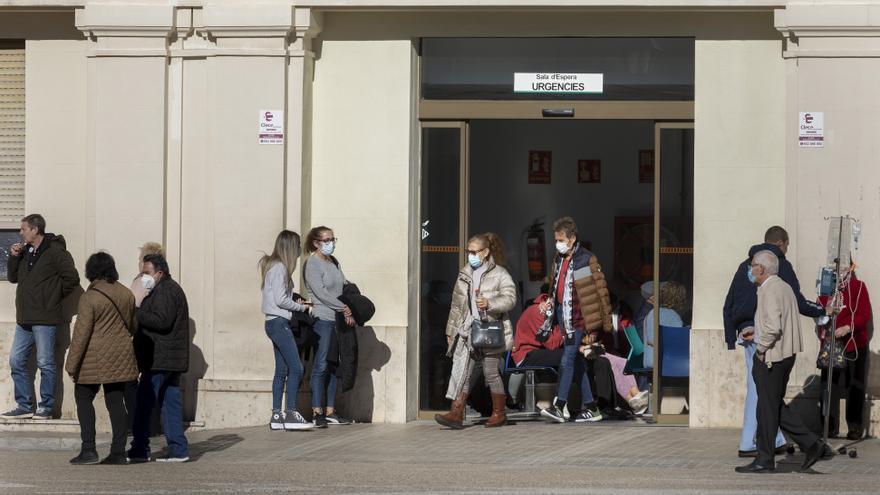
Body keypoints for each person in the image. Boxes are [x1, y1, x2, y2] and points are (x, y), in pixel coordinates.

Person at [723, 226, 825, 457]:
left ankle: (774, 441)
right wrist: (820, 311)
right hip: (765, 339)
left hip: (747, 333)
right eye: (787, 245)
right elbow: (795, 301)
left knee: (764, 390)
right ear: (782, 243)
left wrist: (734, 332)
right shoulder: (777, 264)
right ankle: (750, 442)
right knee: (763, 391)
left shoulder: (745, 265)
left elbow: (729, 302)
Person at [2, 214, 80, 420]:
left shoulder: (55, 252)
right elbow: (12, 278)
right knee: (16, 360)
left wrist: (52, 296)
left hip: (45, 317)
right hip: (24, 318)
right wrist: (14, 256)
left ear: (35, 230)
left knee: (45, 362)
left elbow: (72, 278)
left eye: (23, 229)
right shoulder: (26, 252)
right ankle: (25, 405)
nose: (20, 232)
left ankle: (46, 407)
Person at [435, 233, 516, 429]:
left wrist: (490, 303)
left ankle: (499, 413)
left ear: (486, 252)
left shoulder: (500, 274)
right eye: (468, 251)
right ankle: (456, 412)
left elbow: (510, 299)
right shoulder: (464, 274)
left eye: (474, 251)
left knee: (491, 373)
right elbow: (456, 306)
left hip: (491, 331)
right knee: (464, 372)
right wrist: (450, 331)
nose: (470, 255)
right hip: (469, 331)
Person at [537, 217, 613, 423]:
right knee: (577, 362)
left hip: (579, 318)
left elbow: (600, 292)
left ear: (572, 238)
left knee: (568, 358)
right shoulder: (558, 259)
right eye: (556, 239)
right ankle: (592, 408)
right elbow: (554, 286)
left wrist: (601, 325)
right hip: (563, 314)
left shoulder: (586, 259)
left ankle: (559, 406)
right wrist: (549, 302)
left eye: (561, 239)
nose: (558, 243)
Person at [65, 252, 138, 465]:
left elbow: (81, 333)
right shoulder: (126, 293)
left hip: (94, 357)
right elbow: (134, 325)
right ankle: (118, 452)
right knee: (115, 401)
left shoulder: (90, 297)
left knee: (83, 397)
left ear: (91, 271)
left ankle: (88, 450)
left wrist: (72, 364)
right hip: (122, 354)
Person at [127, 254, 191, 463]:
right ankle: (178, 450)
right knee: (169, 402)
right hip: (166, 359)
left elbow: (162, 321)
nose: (143, 276)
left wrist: (137, 310)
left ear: (160, 273)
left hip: (159, 359)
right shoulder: (163, 289)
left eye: (147, 273)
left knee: (144, 403)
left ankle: (139, 449)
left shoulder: (166, 290)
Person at [260, 230, 314, 431]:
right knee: (297, 368)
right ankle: (290, 412)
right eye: (298, 245)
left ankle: (277, 414)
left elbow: (279, 297)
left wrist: (294, 301)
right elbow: (280, 300)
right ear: (291, 247)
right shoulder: (280, 268)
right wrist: (302, 307)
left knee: (281, 370)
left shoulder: (274, 267)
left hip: (273, 322)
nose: (300, 249)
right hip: (279, 323)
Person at [303, 226, 354, 427]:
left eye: (333, 239)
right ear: (316, 243)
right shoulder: (312, 264)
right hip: (322, 319)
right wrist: (344, 308)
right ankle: (317, 411)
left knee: (334, 366)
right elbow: (320, 292)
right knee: (321, 364)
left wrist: (353, 304)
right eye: (327, 240)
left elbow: (343, 283)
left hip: (338, 321)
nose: (331, 243)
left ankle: (330, 410)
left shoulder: (334, 262)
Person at [816, 259, 872, 440]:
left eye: (842, 266)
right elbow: (818, 310)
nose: (838, 270)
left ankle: (854, 426)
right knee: (828, 386)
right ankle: (828, 426)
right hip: (831, 344)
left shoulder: (858, 286)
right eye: (835, 266)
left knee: (854, 386)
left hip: (853, 343)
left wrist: (849, 327)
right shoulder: (826, 287)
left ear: (850, 267)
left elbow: (864, 313)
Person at [642, 281, 685, 369]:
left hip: (649, 359)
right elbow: (677, 342)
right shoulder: (673, 316)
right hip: (666, 361)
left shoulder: (653, 312)